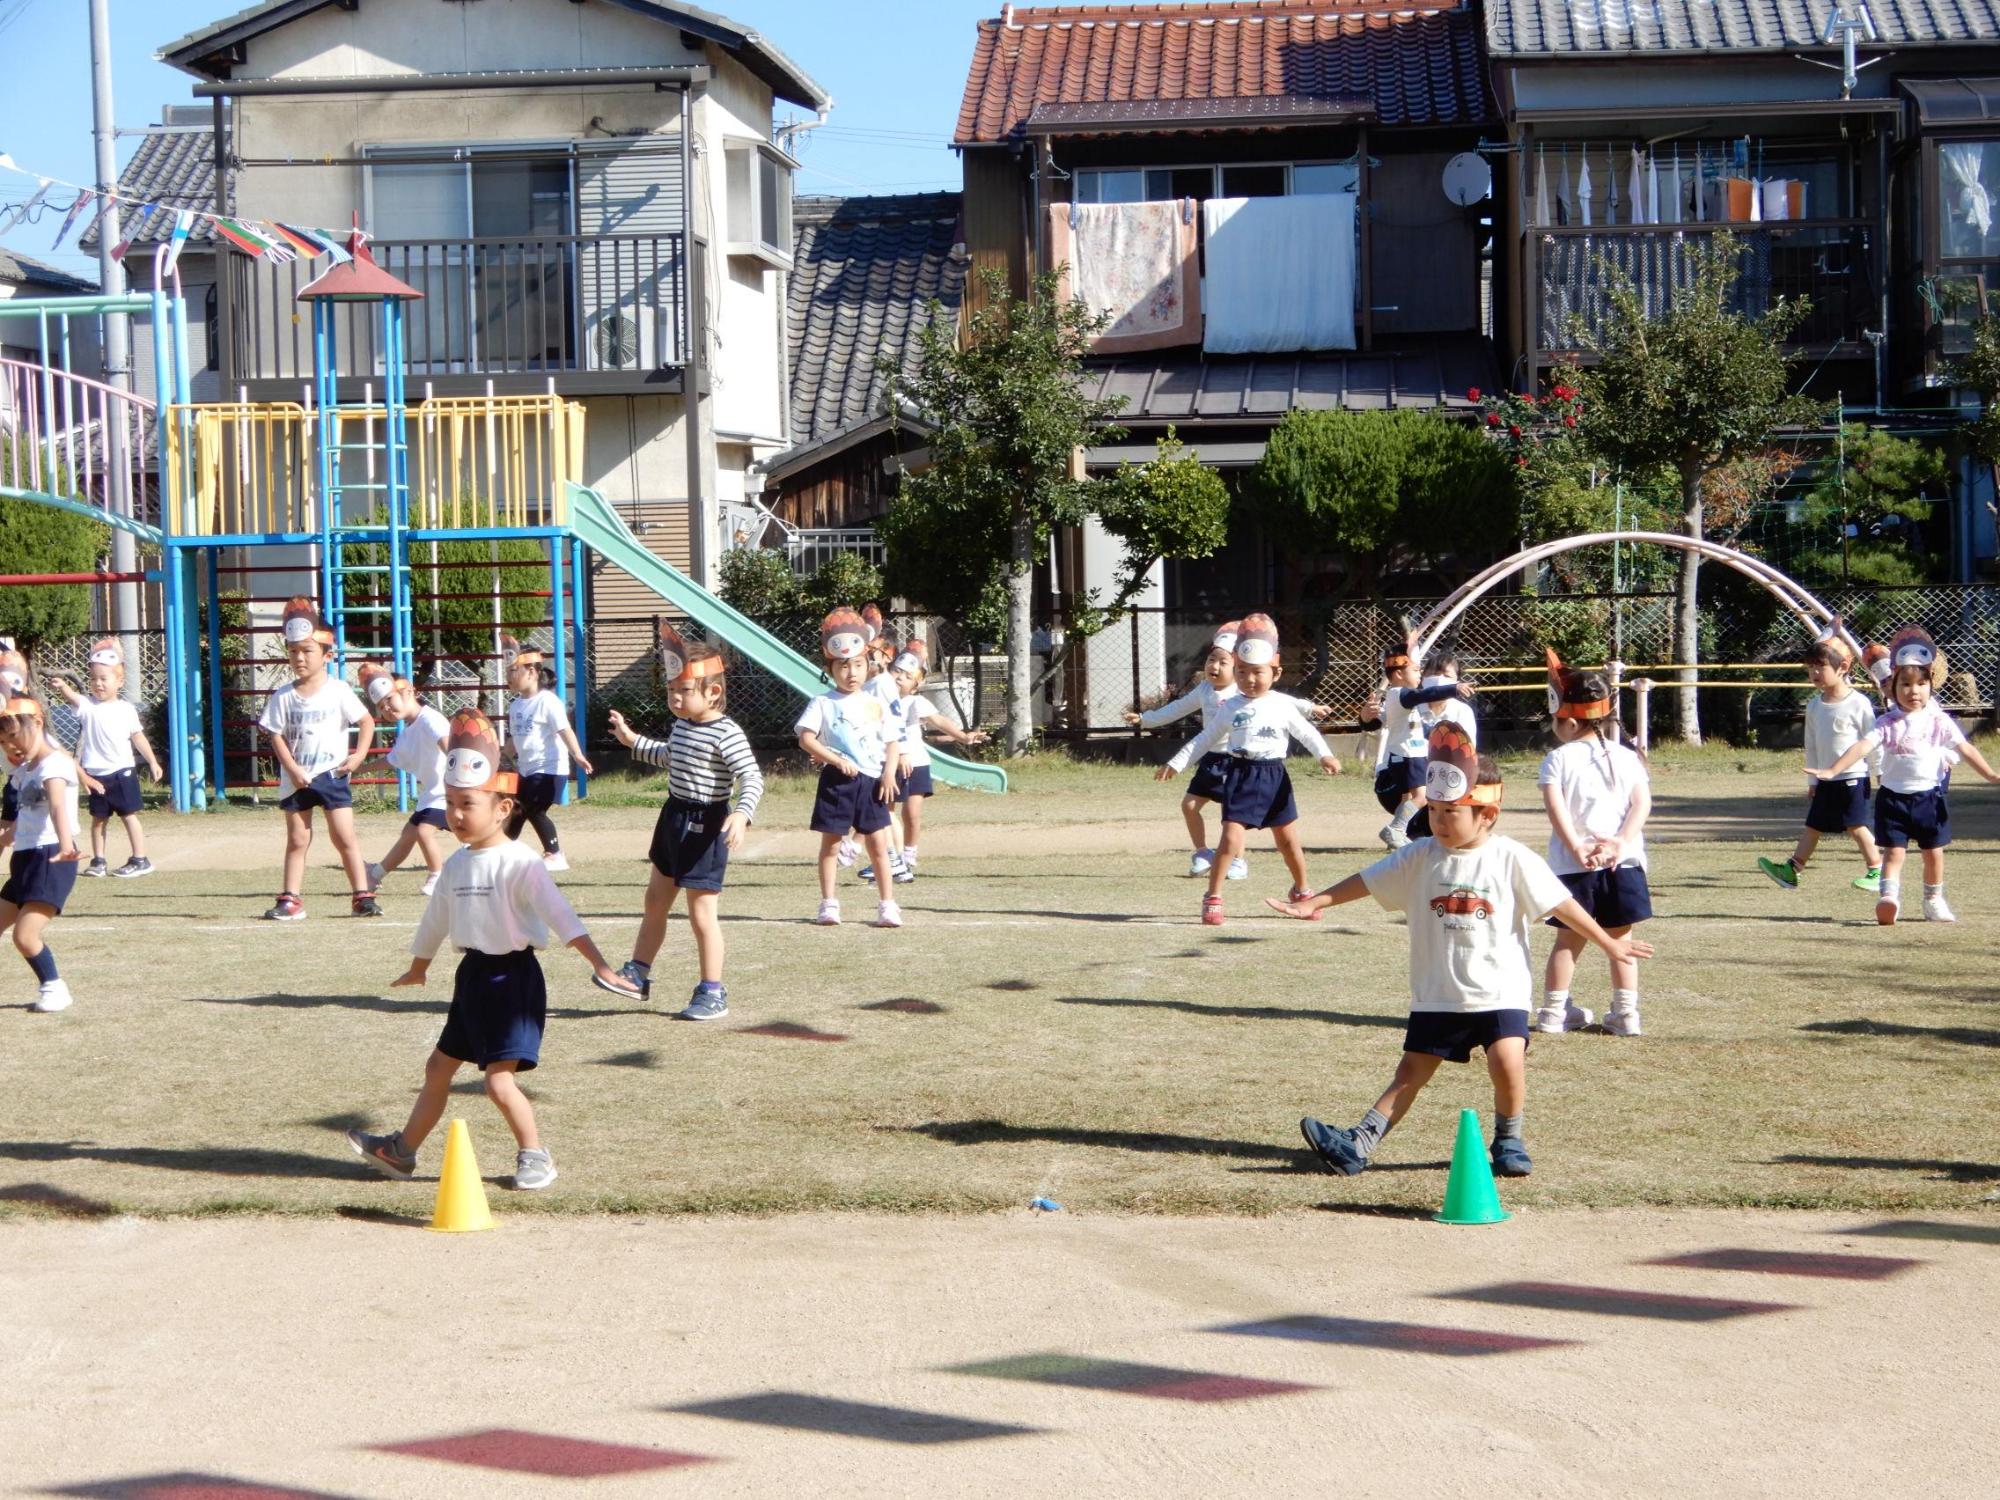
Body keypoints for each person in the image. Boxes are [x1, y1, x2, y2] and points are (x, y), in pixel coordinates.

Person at [1272, 723, 1655, 1178]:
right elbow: (1368, 879)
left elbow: (1564, 905)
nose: (1438, 821)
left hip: (1501, 990)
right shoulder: (1419, 856)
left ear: (1486, 815)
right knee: (1411, 1071)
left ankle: (1509, 1140)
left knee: (1508, 1060)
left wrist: (1610, 943)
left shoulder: (1512, 857)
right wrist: (1317, 900)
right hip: (1439, 992)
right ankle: (1359, 1143)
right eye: (1433, 810)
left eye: (1451, 812)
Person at [344, 709, 640, 1191]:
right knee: (439, 1067)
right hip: (473, 978)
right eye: (452, 804)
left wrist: (601, 964)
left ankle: (535, 1156)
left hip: (513, 981)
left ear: (502, 808)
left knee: (498, 1081)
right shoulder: (456, 864)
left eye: (467, 804)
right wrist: (418, 966)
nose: (456, 815)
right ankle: (401, 1153)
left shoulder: (522, 862)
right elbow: (436, 918)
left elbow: (560, 915)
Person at [602, 627, 764, 1020]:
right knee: (655, 900)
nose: (675, 698)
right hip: (673, 817)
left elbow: (752, 777)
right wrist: (633, 741)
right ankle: (637, 973)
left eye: (684, 690)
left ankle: (712, 991)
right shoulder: (683, 725)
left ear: (713, 692)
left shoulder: (727, 733)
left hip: (706, 825)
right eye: (672, 690)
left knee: (701, 915)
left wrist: (741, 815)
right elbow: (671, 756)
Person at [1806, 625, 2000, 925]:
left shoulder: (1940, 721)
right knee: (1894, 853)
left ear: (1930, 687)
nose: (1914, 691)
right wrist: (1832, 769)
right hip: (1893, 799)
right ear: (1892, 690)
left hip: (1930, 798)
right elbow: (1861, 747)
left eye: (1921, 684)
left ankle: (1933, 900)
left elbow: (1965, 749)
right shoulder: (1887, 722)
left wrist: (1991, 775)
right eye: (1905, 685)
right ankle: (1888, 897)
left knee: (1934, 854)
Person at [1160, 613, 1341, 926]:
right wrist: (1177, 763)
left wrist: (1325, 755)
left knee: (1288, 843)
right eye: (1241, 672)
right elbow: (1205, 738)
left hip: (1275, 777)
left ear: (1276, 671)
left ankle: (1302, 891)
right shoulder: (1229, 706)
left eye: (1257, 672)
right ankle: (1213, 898)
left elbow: (1307, 733)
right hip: (1241, 774)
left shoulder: (1283, 704)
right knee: (1229, 841)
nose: (1249, 679)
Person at [1126, 621, 1329, 879]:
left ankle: (1238, 861)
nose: (1214, 666)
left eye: (1223, 662)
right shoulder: (1203, 691)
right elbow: (1177, 711)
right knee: (1190, 806)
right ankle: (1202, 853)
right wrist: (1146, 719)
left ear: (1237, 668)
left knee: (1233, 817)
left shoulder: (1242, 692)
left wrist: (1310, 708)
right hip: (1210, 759)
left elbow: (1283, 701)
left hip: (1236, 761)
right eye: (1211, 660)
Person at [1536, 652, 1653, 1037]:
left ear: (1567, 719)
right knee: (1622, 939)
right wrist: (1621, 841)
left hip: (1574, 868)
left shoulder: (1557, 759)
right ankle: (1626, 1013)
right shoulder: (1626, 756)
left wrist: (1576, 849)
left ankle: (1554, 1012)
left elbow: (1556, 810)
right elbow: (1641, 804)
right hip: (1625, 863)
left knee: (1568, 940)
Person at [257, 598, 377, 921]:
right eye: (294, 651)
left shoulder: (338, 691)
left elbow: (366, 721)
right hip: (297, 780)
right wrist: (292, 769)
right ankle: (291, 900)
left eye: (307, 651)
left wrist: (358, 756)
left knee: (344, 837)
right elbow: (275, 735)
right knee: (297, 839)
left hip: (333, 775)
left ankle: (362, 896)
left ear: (327, 655)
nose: (299, 658)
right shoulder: (283, 696)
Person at [797, 607, 903, 928]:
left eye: (858, 664)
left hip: (871, 783)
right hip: (836, 782)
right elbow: (805, 738)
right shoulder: (822, 703)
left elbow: (893, 743)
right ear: (831, 667)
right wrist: (835, 760)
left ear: (868, 665)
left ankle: (888, 905)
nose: (852, 672)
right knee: (830, 846)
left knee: (878, 847)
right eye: (843, 666)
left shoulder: (876, 702)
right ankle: (829, 904)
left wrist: (887, 774)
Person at [1757, 629, 1882, 897]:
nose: (1814, 673)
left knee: (1855, 825)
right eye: (1810, 667)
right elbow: (1811, 745)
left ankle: (1878, 869)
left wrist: (1881, 772)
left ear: (1843, 667)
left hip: (1853, 778)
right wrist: (1813, 781)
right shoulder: (1814, 706)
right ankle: (1792, 870)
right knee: (1813, 825)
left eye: (1821, 666)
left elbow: (1874, 739)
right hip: (1826, 780)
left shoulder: (1858, 703)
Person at [863, 638, 986, 882]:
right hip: (890, 762)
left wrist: (963, 737)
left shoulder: (916, 702)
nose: (899, 678)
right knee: (885, 812)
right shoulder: (880, 696)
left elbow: (939, 721)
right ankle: (889, 858)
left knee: (911, 813)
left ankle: (907, 855)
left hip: (915, 763)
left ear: (916, 685)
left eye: (907, 676)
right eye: (896, 672)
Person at [49, 640, 162, 879]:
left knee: (128, 815)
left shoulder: (126, 709)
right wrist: (62, 687)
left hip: (122, 771)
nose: (98, 684)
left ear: (119, 681)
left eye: (104, 678)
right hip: (95, 773)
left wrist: (152, 761)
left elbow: (138, 737)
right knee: (98, 819)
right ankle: (99, 861)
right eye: (93, 679)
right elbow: (73, 697)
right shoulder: (88, 706)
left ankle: (140, 859)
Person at [0, 693, 83, 1013]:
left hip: (51, 858)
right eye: (4, 742)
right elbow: (27, 815)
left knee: (25, 935)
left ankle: (54, 987)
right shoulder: (24, 772)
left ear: (37, 723)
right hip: (25, 858)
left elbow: (59, 805)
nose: (11, 747)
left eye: (15, 736)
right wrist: (6, 837)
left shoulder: (54, 764)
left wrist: (65, 846)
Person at [1361, 637, 1473, 849]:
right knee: (1421, 796)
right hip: (1408, 755)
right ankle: (1396, 829)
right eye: (1416, 670)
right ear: (1400, 674)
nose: (1421, 675)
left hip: (1406, 755)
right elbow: (1427, 693)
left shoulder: (1401, 697)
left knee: (1409, 796)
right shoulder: (1402, 695)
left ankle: (1402, 833)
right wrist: (1453, 688)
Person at [360, 665, 451, 898]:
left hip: (448, 792)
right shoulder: (409, 731)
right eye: (381, 707)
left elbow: (448, 745)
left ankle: (437, 875)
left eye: (389, 699)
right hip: (433, 794)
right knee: (409, 833)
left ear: (409, 691)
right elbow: (391, 761)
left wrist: (460, 779)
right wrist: (359, 769)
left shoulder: (430, 719)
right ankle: (375, 874)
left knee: (423, 832)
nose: (387, 708)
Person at [504, 645, 591, 872]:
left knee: (533, 809)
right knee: (516, 810)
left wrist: (578, 755)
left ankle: (555, 855)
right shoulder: (515, 706)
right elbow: (515, 739)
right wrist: (499, 757)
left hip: (550, 769)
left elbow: (564, 730)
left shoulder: (548, 702)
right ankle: (502, 849)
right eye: (508, 671)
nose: (508, 676)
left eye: (514, 671)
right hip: (526, 770)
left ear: (531, 672)